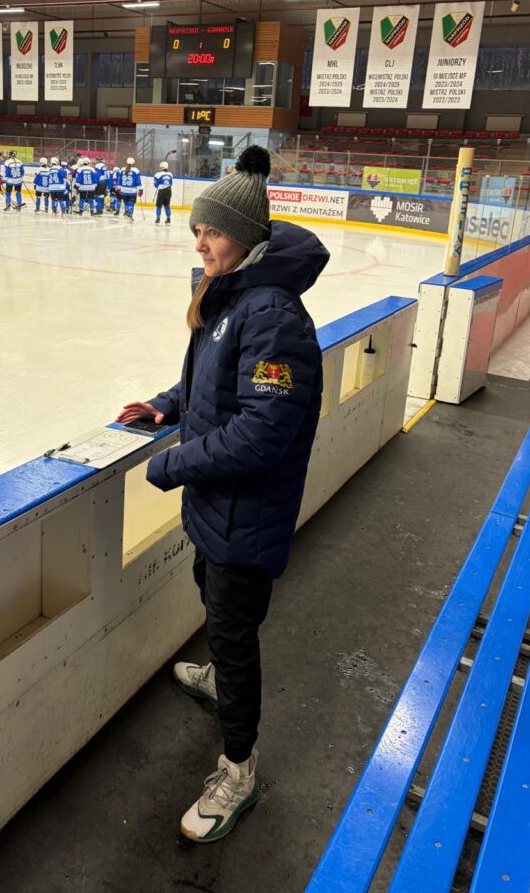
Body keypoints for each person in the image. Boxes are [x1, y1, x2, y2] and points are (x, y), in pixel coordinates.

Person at [116, 146, 329, 843]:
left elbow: (262, 433)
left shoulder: (274, 316)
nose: (199, 243)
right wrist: (165, 406)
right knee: (215, 605)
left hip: (248, 515)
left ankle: (239, 769)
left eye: (211, 231)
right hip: (220, 511)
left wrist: (174, 464)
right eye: (196, 230)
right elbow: (208, 385)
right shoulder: (232, 294)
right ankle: (219, 678)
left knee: (235, 637)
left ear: (244, 234)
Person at [119, 157, 143, 222]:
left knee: (126, 203)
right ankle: (130, 216)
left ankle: (126, 213)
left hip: (124, 190)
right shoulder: (136, 170)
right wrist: (140, 190)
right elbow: (138, 181)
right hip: (132, 191)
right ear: (133, 163)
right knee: (131, 203)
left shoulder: (122, 170)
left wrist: (119, 188)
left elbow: (119, 180)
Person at [153, 160, 173, 225]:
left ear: (161, 167)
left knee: (158, 205)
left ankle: (158, 218)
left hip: (161, 191)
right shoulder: (170, 174)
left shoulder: (157, 174)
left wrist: (159, 186)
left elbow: (155, 184)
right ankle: (168, 218)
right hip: (169, 191)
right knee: (167, 205)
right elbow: (171, 183)